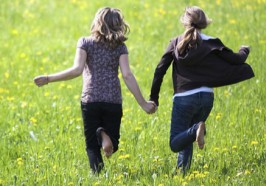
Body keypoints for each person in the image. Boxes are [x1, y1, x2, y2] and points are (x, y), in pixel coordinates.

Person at [34, 7, 156, 173]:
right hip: (112, 100)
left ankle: (98, 173)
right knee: (114, 143)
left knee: (92, 146)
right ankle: (104, 135)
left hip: (90, 99)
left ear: (97, 23)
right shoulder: (120, 47)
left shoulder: (85, 42)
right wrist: (142, 103)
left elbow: (77, 70)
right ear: (118, 25)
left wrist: (49, 79)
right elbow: (127, 75)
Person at [149, 6, 254, 172]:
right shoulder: (212, 42)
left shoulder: (176, 42)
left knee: (175, 142)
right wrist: (244, 50)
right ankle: (183, 174)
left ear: (184, 22)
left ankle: (197, 128)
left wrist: (154, 98)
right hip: (206, 97)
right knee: (187, 136)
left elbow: (160, 69)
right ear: (205, 22)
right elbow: (237, 60)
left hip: (184, 98)